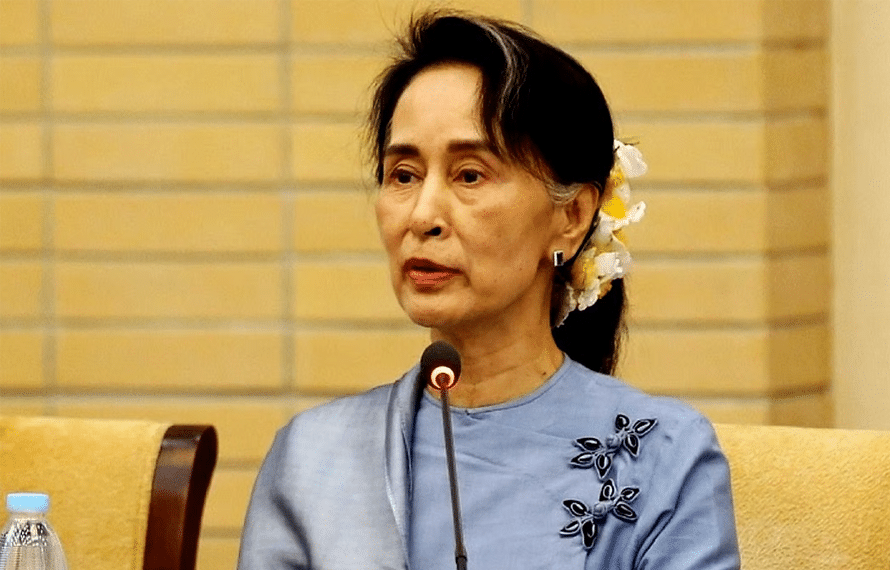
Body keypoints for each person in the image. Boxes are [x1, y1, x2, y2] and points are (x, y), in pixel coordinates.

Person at [238, 11, 740, 570]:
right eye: (403, 175)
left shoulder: (666, 457)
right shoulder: (313, 458)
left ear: (571, 216)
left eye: (469, 175)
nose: (423, 215)